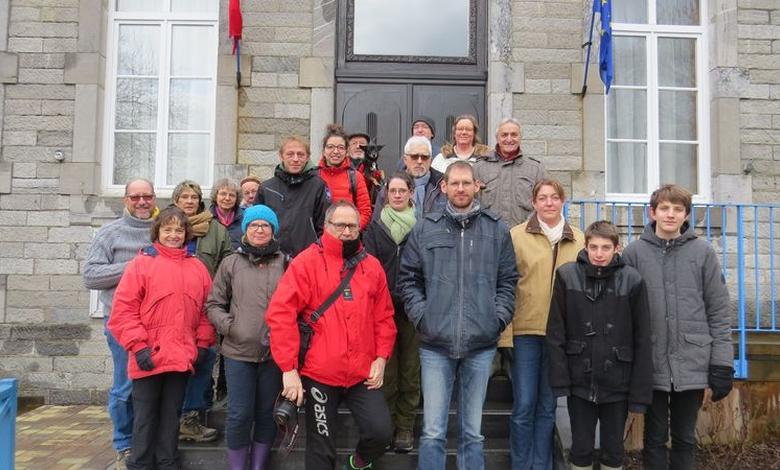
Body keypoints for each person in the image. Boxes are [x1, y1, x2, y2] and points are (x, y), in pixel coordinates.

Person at [398, 161, 518, 470]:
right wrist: (423, 318)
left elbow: (508, 281)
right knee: (433, 431)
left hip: (481, 343)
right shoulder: (425, 227)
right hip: (435, 344)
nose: (461, 189)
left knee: (472, 433)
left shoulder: (496, 229)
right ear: (444, 187)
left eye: (467, 183)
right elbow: (408, 278)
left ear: (477, 186)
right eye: (455, 183)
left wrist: (497, 319)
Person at [266, 201, 397, 470]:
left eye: (353, 226)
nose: (347, 231)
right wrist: (288, 369)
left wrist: (382, 358)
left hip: (362, 373)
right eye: (341, 225)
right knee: (321, 449)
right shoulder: (306, 263)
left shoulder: (371, 266)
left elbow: (384, 317)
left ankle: (357, 464)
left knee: (381, 433)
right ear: (326, 226)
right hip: (320, 373)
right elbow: (281, 315)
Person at [621, 184, 734, 470]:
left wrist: (721, 364)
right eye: (664, 208)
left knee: (684, 437)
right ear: (652, 212)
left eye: (678, 209)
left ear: (686, 215)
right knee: (654, 437)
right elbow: (622, 312)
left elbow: (718, 311)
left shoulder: (703, 253)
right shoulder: (634, 253)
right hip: (652, 362)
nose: (670, 215)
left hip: (693, 360)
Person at [107, 206, 216, 470]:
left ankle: (167, 462)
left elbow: (206, 309)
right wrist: (138, 346)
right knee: (145, 418)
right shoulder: (141, 264)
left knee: (171, 416)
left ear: (186, 233)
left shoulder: (198, 268)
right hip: (149, 356)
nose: (173, 235)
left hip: (181, 356)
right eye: (168, 229)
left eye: (179, 230)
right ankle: (141, 464)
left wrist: (202, 343)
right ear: (158, 232)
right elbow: (123, 311)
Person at [546, 220, 653, 470]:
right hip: (579, 380)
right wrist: (560, 380)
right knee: (580, 447)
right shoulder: (566, 275)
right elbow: (555, 331)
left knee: (613, 449)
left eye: (606, 247)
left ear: (617, 248)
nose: (599, 253)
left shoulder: (633, 280)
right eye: (594, 247)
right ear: (585, 246)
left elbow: (642, 337)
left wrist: (639, 394)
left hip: (618, 379)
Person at [503, 179, 584, 470]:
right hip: (525, 332)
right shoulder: (516, 236)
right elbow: (506, 285)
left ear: (562, 201)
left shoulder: (579, 239)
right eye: (543, 198)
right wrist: (505, 333)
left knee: (548, 406)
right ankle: (521, 465)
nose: (549, 203)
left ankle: (542, 465)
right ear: (534, 203)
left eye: (554, 197)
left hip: (561, 336)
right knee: (524, 404)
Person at [83, 178, 158, 470]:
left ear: (155, 199)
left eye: (147, 196)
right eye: (135, 197)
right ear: (125, 199)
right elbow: (91, 276)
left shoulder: (163, 231)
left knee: (154, 387)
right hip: (122, 325)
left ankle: (148, 442)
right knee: (125, 387)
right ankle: (123, 445)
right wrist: (134, 265)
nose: (142, 202)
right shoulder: (109, 233)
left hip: (158, 326)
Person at [206, 205, 285, 470]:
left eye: (265, 225)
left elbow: (299, 305)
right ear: (246, 230)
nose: (260, 229)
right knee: (239, 415)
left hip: (274, 354)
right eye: (254, 225)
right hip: (238, 352)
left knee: (266, 414)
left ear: (273, 231)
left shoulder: (286, 263)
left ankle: (258, 465)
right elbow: (214, 304)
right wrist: (231, 327)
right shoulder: (231, 263)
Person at [363, 173, 420, 453]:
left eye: (402, 190)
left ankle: (405, 426)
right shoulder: (374, 228)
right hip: (382, 309)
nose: (397, 195)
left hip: (411, 308)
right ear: (386, 194)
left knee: (410, 369)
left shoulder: (422, 226)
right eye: (392, 190)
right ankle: (384, 425)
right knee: (386, 369)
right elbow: (369, 268)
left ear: (411, 193)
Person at [172, 180, 233, 442]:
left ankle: (192, 418)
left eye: (194, 197)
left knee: (205, 358)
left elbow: (226, 266)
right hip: (172, 307)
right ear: (176, 201)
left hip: (204, 307)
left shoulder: (217, 230)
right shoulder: (168, 228)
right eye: (184, 197)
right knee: (174, 364)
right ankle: (170, 419)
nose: (189, 201)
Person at [254, 135, 330, 258]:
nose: (295, 159)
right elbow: (256, 225)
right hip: (272, 257)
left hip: (307, 257)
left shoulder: (318, 186)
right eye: (290, 154)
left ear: (307, 157)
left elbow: (325, 225)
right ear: (281, 156)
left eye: (300, 154)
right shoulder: (267, 188)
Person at [473, 117, 548, 228]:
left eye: (514, 135)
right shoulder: (479, 167)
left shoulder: (536, 169)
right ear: (497, 138)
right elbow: (472, 202)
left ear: (520, 138)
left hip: (525, 235)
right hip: (489, 235)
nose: (509, 139)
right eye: (504, 135)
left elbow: (545, 202)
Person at [373, 136, 446, 220]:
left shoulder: (444, 186)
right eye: (414, 156)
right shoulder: (390, 187)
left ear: (431, 160)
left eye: (424, 157)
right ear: (405, 159)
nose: (419, 161)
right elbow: (376, 227)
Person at [318, 124, 373, 230]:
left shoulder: (356, 177)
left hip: (348, 239)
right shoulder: (315, 176)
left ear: (346, 152)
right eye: (330, 147)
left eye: (340, 147)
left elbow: (365, 211)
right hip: (321, 239)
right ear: (324, 151)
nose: (335, 151)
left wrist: (351, 230)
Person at [348, 131, 384, 204]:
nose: (358, 146)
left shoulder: (374, 167)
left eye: (362, 143)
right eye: (354, 143)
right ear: (347, 149)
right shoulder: (341, 169)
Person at [210, 178, 244, 249]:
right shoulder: (206, 218)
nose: (227, 198)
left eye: (232, 195)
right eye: (223, 194)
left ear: (237, 198)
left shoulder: (245, 219)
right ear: (216, 196)